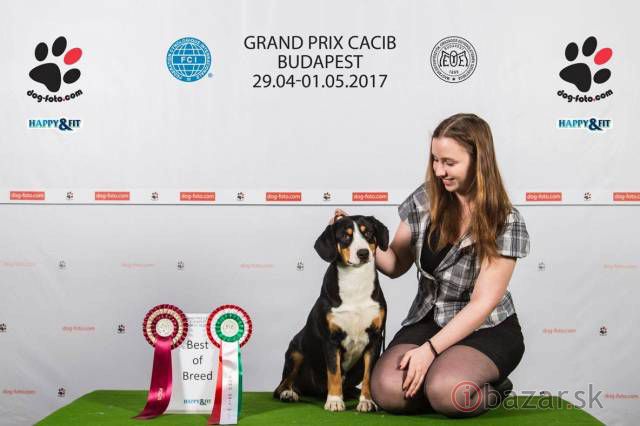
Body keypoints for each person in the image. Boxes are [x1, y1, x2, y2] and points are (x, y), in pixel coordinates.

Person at [332, 113, 530, 417]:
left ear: (479, 160)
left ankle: (493, 388)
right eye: (435, 160)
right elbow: (395, 263)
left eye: (449, 162)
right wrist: (360, 239)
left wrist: (429, 351)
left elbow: (481, 304)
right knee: (387, 391)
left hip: (485, 327)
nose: (439, 170)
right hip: (429, 318)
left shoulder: (506, 220)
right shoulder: (425, 198)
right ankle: (438, 380)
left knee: (449, 393)